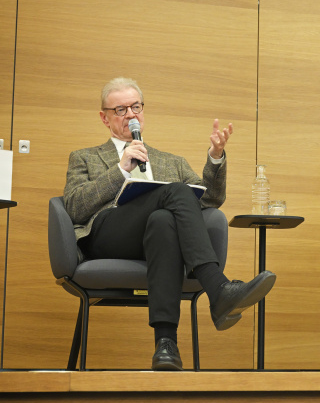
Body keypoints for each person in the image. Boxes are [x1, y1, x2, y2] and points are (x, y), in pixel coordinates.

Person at [64, 77, 276, 371]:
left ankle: (166, 345)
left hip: (156, 241)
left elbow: (209, 199)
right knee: (176, 191)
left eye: (135, 107)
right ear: (105, 117)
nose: (131, 115)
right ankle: (218, 289)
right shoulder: (84, 158)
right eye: (121, 109)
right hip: (108, 236)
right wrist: (120, 169)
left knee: (164, 220)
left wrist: (215, 158)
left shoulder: (170, 162)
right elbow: (74, 207)